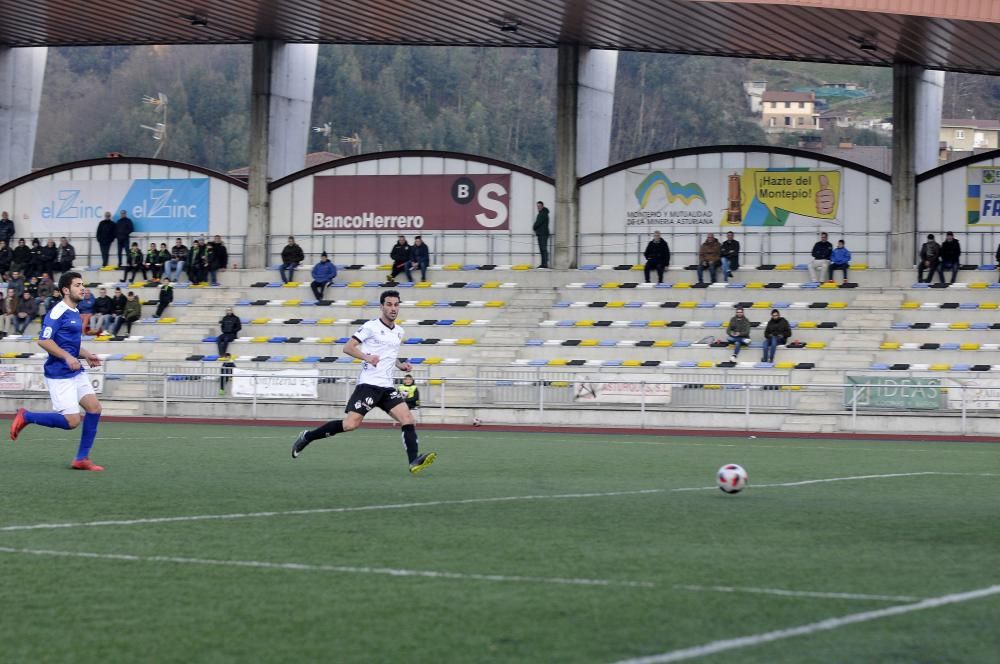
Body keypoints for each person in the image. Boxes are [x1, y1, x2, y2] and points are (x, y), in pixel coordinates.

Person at [291, 289, 437, 474]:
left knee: (408, 418)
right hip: (368, 385)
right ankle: (308, 437)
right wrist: (367, 357)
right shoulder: (370, 326)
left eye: (396, 304)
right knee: (350, 424)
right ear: (381, 306)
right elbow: (348, 347)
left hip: (386, 387)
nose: (393, 308)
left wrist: (400, 366)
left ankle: (413, 461)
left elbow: (389, 355)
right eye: (389, 304)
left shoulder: (399, 331)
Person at [9, 271, 106, 471]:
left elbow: (70, 344)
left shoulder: (75, 312)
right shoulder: (57, 312)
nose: (83, 288)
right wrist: (68, 357)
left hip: (75, 371)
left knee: (94, 408)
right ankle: (26, 416)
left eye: (82, 284)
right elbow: (44, 340)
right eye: (78, 285)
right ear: (65, 290)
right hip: (59, 373)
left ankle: (81, 459)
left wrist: (86, 354)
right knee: (72, 422)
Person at [534, 201, 551, 269]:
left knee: (543, 249)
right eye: (537, 206)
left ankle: (544, 264)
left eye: (539, 206)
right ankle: (544, 263)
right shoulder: (544, 213)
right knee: (542, 249)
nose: (538, 207)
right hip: (542, 234)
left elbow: (537, 224)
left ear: (542, 206)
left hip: (542, 234)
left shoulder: (542, 214)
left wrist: (534, 227)